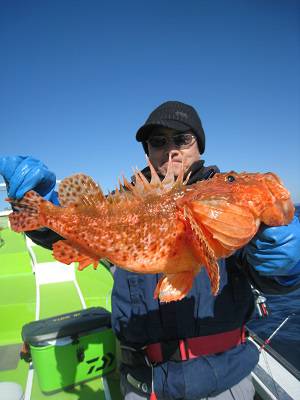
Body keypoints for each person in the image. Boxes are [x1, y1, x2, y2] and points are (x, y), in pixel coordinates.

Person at [1, 101, 300, 400]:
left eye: (182, 139)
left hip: (226, 380)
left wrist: (287, 266)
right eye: (158, 141)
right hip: (144, 383)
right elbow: (65, 231)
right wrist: (40, 206)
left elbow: (273, 281)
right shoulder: (121, 202)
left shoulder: (222, 199)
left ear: (199, 145)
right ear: (147, 151)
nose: (171, 149)